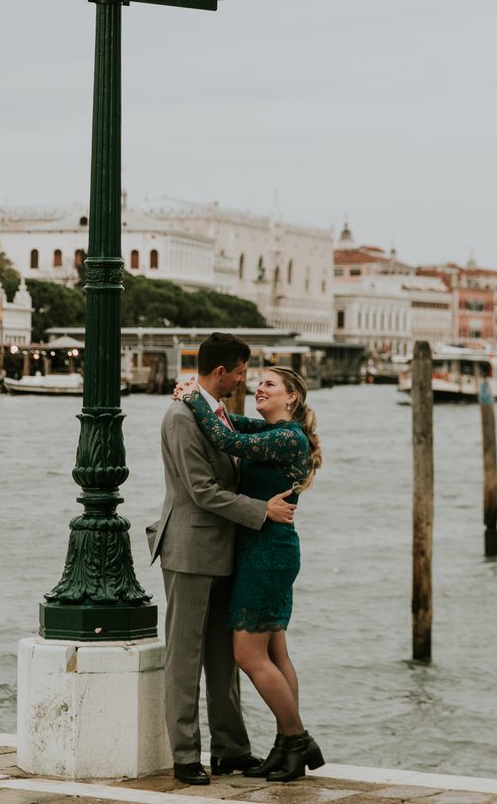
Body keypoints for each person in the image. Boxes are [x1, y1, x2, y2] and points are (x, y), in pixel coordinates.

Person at [147, 333, 296, 785]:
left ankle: (231, 749)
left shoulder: (218, 414)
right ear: (220, 373)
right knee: (185, 656)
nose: (244, 380)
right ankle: (185, 754)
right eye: (240, 372)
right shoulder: (180, 418)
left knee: (223, 657)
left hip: (226, 550)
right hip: (190, 551)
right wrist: (261, 510)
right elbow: (201, 490)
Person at [180, 365, 324, 782]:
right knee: (276, 653)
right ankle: (285, 743)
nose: (259, 388)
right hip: (267, 548)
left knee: (248, 654)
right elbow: (228, 421)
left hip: (267, 553)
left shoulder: (286, 436)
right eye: (258, 381)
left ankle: (297, 740)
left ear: (291, 397)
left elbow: (225, 437)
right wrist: (202, 397)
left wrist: (192, 395)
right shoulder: (272, 432)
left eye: (270, 384)